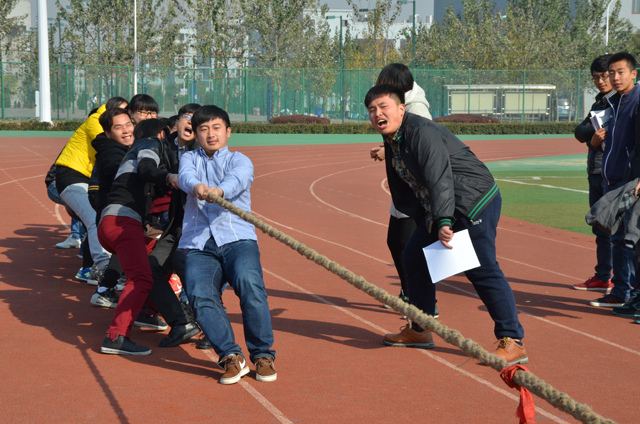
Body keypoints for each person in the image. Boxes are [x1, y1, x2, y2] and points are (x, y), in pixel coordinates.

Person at [365, 84, 527, 365]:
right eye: (371, 110)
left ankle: (512, 340)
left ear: (401, 108)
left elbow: (439, 177)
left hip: (473, 200)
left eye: (383, 107)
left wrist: (442, 221)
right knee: (414, 257)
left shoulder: (421, 131)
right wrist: (427, 219)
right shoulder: (393, 139)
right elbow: (406, 191)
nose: (377, 113)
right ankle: (421, 329)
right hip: (444, 206)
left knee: (481, 268)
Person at [179, 105, 277, 384]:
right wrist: (196, 187)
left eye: (216, 128)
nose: (211, 134)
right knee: (199, 294)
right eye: (203, 129)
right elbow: (186, 177)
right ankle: (231, 357)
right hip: (198, 242)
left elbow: (238, 180)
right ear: (196, 134)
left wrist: (219, 191)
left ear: (228, 131)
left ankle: (262, 355)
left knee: (249, 285)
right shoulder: (189, 160)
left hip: (237, 238)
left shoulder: (240, 160)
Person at [97, 112, 180, 355]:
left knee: (155, 264)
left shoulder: (132, 155)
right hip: (123, 222)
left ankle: (146, 310)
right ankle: (116, 335)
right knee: (142, 277)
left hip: (116, 222)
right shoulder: (149, 143)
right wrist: (170, 176)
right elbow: (147, 168)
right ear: (163, 133)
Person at [369, 63, 435, 310]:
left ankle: (423, 303)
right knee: (397, 242)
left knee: (409, 246)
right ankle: (411, 294)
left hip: (416, 190)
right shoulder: (396, 105)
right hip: (404, 185)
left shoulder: (416, 109)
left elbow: (423, 146)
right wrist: (386, 151)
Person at [54, 96, 128, 282]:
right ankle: (102, 269)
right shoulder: (97, 121)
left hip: (89, 179)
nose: (127, 119)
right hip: (73, 177)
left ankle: (93, 267)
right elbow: (110, 145)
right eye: (124, 111)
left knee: (104, 217)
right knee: (94, 217)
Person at [590, 52, 640, 308]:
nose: (614, 77)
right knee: (618, 239)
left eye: (620, 72)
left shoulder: (637, 100)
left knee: (631, 241)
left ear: (634, 73)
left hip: (630, 182)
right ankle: (622, 293)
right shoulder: (614, 102)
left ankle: (631, 294)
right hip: (612, 179)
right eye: (611, 73)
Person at [572, 55, 616, 293]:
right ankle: (603, 276)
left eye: (605, 76)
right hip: (596, 172)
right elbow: (580, 132)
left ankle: (623, 282)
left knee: (617, 229)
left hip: (613, 173)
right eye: (596, 78)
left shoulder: (620, 102)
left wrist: (592, 136)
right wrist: (592, 137)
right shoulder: (599, 102)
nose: (601, 81)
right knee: (600, 226)